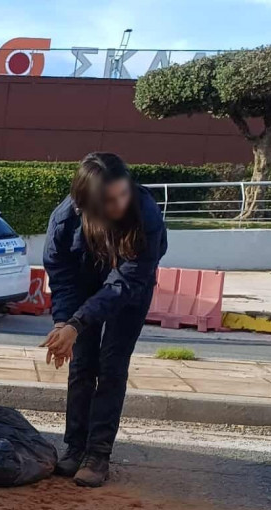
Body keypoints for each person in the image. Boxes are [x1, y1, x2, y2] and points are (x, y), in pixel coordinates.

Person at [41, 153, 167, 488]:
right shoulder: (64, 221)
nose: (121, 204)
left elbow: (126, 282)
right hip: (86, 285)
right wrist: (62, 323)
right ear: (87, 204)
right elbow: (63, 277)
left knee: (112, 365)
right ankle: (74, 446)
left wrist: (77, 324)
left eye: (124, 193)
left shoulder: (145, 213)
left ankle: (98, 454)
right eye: (111, 200)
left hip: (130, 288)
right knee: (82, 365)